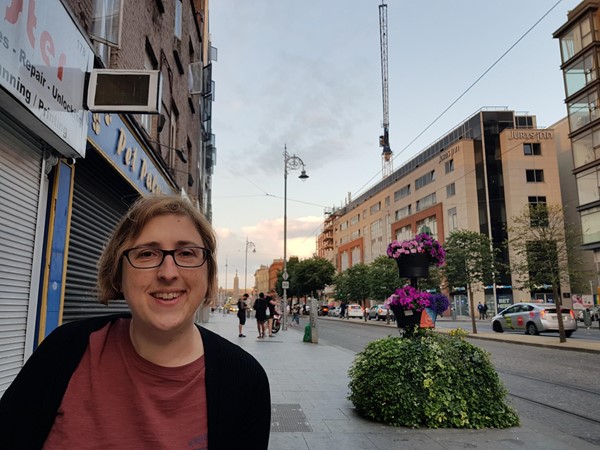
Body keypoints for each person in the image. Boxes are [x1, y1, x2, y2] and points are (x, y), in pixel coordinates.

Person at [0, 195, 271, 449]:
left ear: (209, 273)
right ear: (118, 272)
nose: (168, 273)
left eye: (187, 253)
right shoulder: (64, 351)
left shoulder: (245, 381)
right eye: (146, 254)